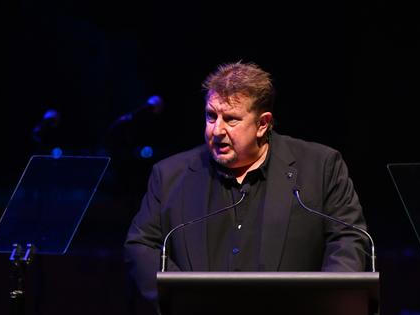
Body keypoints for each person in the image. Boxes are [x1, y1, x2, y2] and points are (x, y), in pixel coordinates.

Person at [125, 61, 369, 300]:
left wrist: (320, 302)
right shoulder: (170, 176)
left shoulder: (320, 167)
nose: (216, 130)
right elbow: (141, 246)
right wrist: (189, 296)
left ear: (262, 124)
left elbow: (348, 240)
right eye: (211, 116)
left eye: (231, 119)